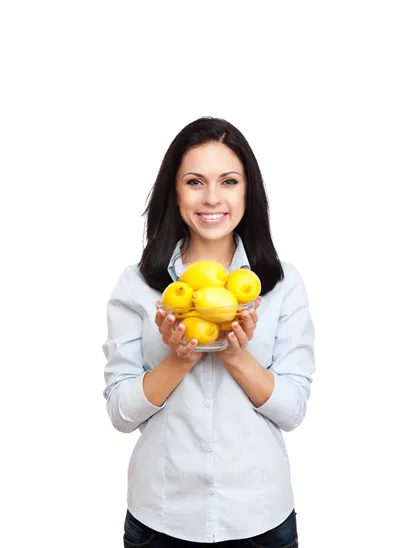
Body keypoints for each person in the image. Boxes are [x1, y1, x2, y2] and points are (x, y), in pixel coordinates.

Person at [102, 116, 315, 547]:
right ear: (174, 192)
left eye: (229, 181)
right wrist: (179, 358)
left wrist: (235, 354)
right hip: (161, 519)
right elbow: (120, 414)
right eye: (195, 181)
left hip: (259, 519)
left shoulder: (280, 285)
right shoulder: (139, 286)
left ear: (248, 192)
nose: (213, 198)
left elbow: (293, 410)